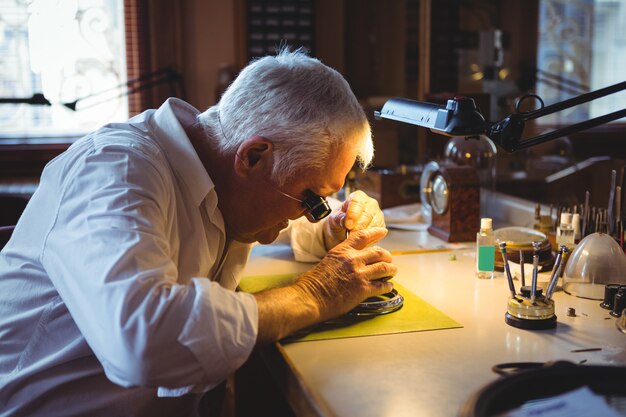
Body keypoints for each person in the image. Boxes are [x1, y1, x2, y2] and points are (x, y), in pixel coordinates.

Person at [0, 48, 397, 416]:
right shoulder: (116, 171)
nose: (308, 215)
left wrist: (330, 229)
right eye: (311, 200)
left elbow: (262, 216)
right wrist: (317, 293)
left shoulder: (220, 174)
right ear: (254, 156)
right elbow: (141, 341)